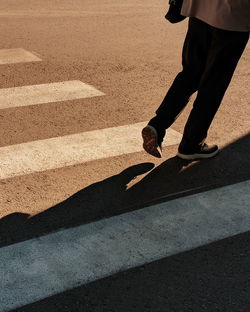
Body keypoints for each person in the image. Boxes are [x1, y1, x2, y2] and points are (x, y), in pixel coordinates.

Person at [142, 0, 250, 160]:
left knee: (190, 74)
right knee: (214, 84)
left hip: (199, 11)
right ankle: (191, 144)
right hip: (232, 19)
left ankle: (157, 125)